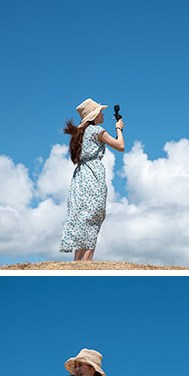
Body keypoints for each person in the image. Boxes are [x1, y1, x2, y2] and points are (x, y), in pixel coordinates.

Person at [59, 99, 125, 261]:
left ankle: (77, 264)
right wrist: (119, 129)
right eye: (100, 111)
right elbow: (120, 146)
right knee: (94, 219)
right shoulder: (97, 131)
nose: (102, 114)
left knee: (83, 220)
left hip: (79, 178)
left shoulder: (79, 135)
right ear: (94, 116)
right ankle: (86, 264)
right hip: (93, 176)